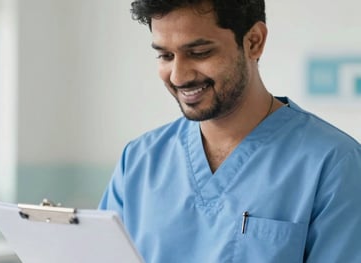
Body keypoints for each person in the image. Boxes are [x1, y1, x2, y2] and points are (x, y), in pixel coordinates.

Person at [99, 0, 361, 262]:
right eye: (166, 56)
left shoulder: (335, 164)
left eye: (200, 52)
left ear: (253, 42)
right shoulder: (138, 162)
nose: (178, 76)